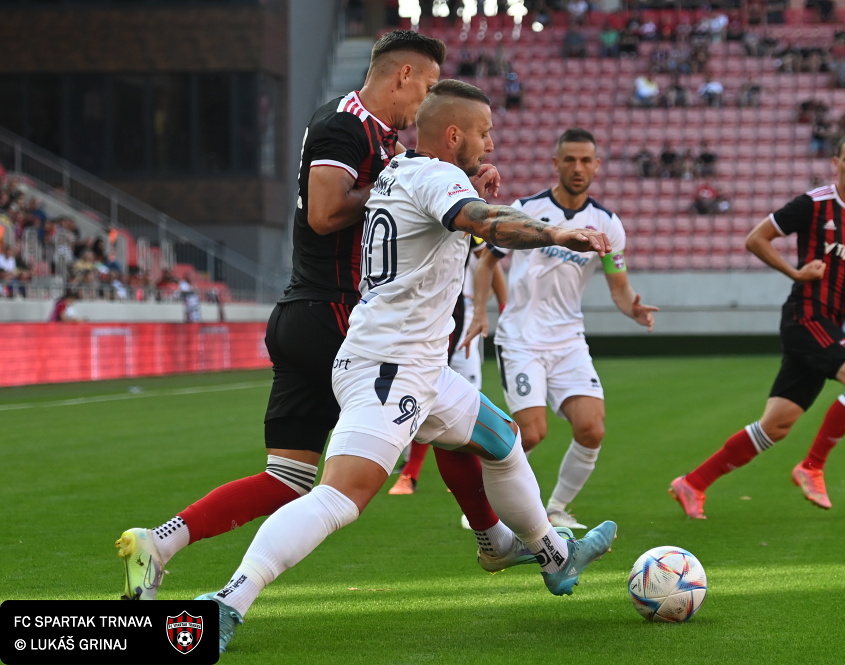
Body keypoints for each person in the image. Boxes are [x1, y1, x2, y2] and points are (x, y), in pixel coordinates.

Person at [196, 81, 618, 652]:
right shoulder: (438, 178)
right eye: (484, 133)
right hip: (390, 370)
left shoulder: (399, 169)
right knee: (339, 497)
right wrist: (556, 231)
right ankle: (227, 601)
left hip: (411, 363)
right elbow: (486, 222)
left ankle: (548, 554)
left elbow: (452, 215)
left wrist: (472, 190)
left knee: (501, 438)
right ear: (454, 136)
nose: (492, 143)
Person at [113, 29, 467, 601]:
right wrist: (397, 191)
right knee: (460, 423)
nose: (426, 103)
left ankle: (158, 543)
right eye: (427, 87)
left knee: (288, 478)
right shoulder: (343, 125)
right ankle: (511, 538)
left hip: (309, 314)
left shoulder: (377, 136)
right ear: (402, 75)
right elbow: (326, 213)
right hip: (336, 314)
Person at [669, 132, 845, 519]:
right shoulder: (812, 204)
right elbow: (757, 239)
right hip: (805, 316)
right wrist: (795, 272)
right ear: (835, 163)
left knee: (776, 426)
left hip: (829, 323)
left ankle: (693, 483)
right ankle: (812, 467)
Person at [466, 128, 658, 530]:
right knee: (531, 433)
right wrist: (481, 312)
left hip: (568, 341)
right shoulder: (527, 209)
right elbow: (487, 261)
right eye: (569, 160)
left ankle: (556, 507)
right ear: (556, 163)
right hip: (521, 338)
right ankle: (482, 506)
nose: (577, 167)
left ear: (597, 166)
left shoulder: (608, 224)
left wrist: (634, 309)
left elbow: (619, 287)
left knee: (592, 429)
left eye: (586, 160)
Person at [388, 237, 508, 495]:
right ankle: (409, 471)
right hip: (416, 312)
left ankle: (465, 474)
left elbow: (489, 258)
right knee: (419, 387)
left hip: (458, 312)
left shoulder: (465, 220)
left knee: (464, 398)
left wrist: (498, 309)